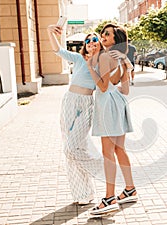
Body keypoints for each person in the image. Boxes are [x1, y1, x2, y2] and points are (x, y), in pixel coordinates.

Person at [47, 25, 103, 205]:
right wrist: (50, 31)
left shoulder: (103, 62)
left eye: (95, 40)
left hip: (86, 104)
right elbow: (57, 50)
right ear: (84, 45)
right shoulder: (79, 59)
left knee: (73, 148)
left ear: (100, 44)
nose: (91, 43)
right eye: (88, 41)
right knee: (71, 150)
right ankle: (83, 194)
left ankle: (98, 165)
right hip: (69, 102)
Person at [87, 23, 137, 215]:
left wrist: (91, 65)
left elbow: (103, 86)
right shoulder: (123, 59)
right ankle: (130, 188)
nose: (103, 36)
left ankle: (109, 198)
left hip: (107, 106)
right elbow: (125, 90)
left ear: (116, 39)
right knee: (119, 149)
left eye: (108, 34)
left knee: (108, 152)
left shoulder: (106, 56)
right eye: (103, 33)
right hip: (119, 104)